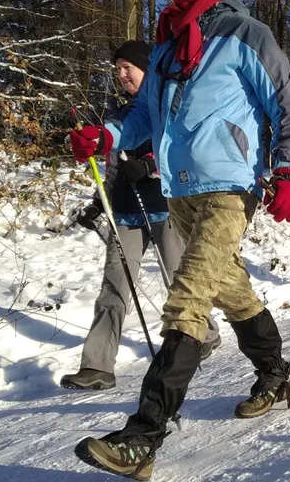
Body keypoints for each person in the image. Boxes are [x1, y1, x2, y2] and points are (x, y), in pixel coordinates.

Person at [68, 0, 290, 479]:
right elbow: (145, 121)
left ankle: (143, 436)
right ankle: (275, 374)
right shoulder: (165, 45)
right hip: (179, 191)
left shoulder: (248, 36)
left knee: (188, 299)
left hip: (231, 188)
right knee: (231, 289)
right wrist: (107, 135)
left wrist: (289, 173)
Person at [61, 40, 221, 391]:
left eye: (127, 68)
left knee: (178, 279)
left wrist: (148, 165)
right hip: (126, 212)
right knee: (114, 288)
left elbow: (183, 155)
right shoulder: (119, 116)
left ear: (146, 70)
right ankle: (97, 366)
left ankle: (204, 332)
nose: (120, 75)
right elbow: (114, 167)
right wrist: (98, 203)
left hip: (165, 207)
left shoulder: (170, 109)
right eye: (117, 69)